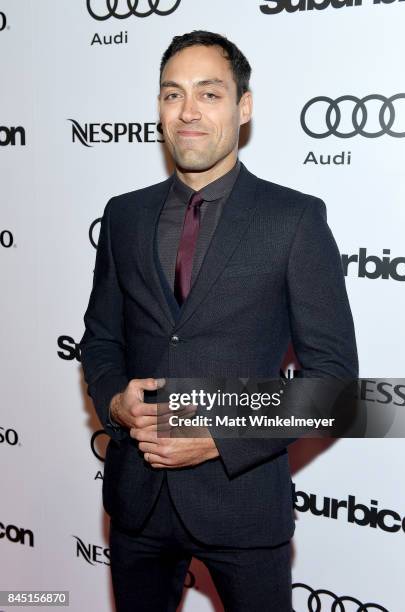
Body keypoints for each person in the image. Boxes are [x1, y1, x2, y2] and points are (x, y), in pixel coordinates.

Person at [79, 30, 358, 612]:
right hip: (137, 502)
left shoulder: (295, 220)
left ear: (243, 107)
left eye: (209, 94)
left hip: (244, 505)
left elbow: (332, 383)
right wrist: (113, 403)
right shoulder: (124, 215)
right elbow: (101, 340)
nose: (187, 112)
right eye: (171, 94)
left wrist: (216, 438)